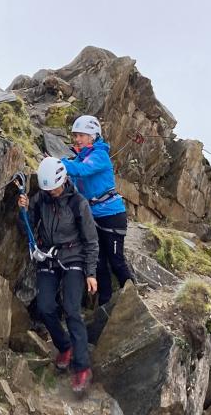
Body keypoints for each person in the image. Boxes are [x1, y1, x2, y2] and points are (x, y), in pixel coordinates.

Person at [18, 157, 98, 393]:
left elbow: (91, 241)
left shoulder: (78, 203)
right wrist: (23, 210)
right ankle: (64, 346)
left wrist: (90, 273)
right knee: (44, 307)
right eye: (46, 188)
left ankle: (82, 367)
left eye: (53, 187)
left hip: (73, 257)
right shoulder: (40, 199)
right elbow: (28, 228)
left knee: (72, 309)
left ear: (63, 180)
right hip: (48, 257)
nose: (50, 191)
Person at [61, 115, 134, 344]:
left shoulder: (99, 155)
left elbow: (81, 172)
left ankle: (132, 296)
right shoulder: (82, 157)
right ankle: (104, 305)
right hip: (94, 216)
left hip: (112, 216)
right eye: (75, 135)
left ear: (92, 136)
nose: (77, 139)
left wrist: (59, 164)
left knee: (116, 259)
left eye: (81, 135)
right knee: (99, 261)